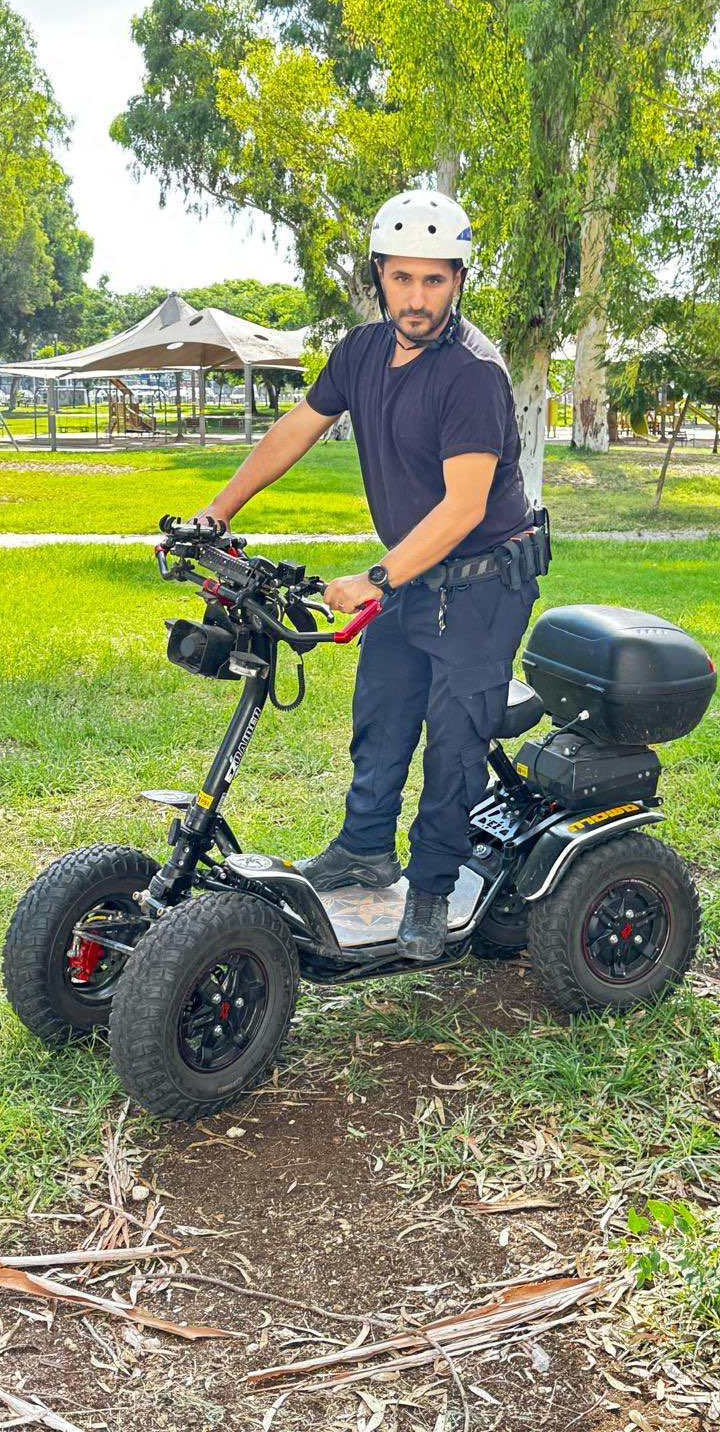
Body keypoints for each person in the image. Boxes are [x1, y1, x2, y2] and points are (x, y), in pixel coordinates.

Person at [196, 188, 549, 959]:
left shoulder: (472, 374)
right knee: (382, 716)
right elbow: (297, 427)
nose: (417, 298)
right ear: (379, 276)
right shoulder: (360, 351)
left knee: (454, 741)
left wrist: (377, 579)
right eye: (402, 278)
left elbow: (463, 508)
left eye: (434, 280)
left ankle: (431, 890)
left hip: (484, 585)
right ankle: (364, 850)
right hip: (417, 579)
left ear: (458, 281)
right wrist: (216, 513)